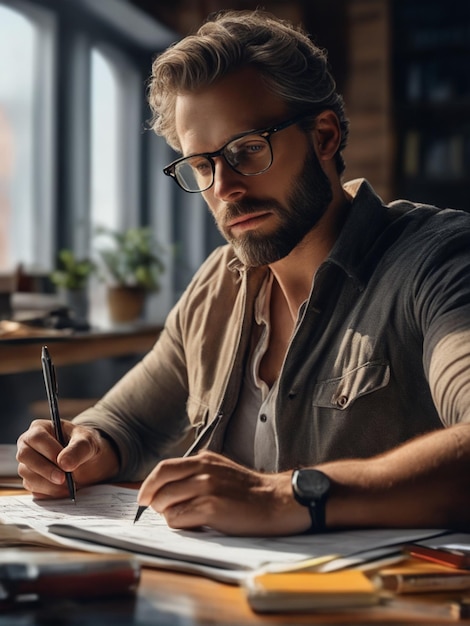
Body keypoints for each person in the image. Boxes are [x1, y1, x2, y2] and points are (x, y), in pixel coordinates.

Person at [17, 9, 470, 537]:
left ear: (323, 137)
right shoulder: (219, 283)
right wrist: (80, 448)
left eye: (248, 150)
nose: (224, 187)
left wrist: (283, 494)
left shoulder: (437, 262)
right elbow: (128, 423)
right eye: (203, 165)